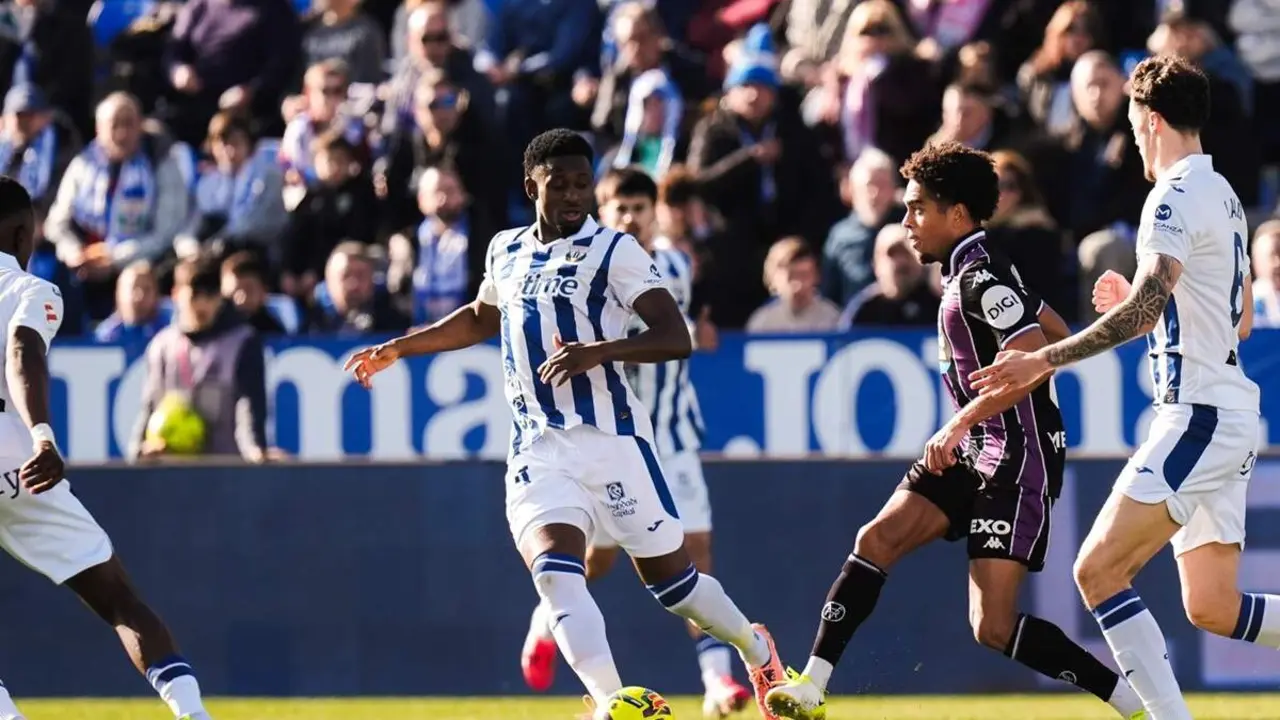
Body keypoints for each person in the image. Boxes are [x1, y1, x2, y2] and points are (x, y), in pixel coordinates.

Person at [344, 129, 787, 720]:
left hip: (612, 443)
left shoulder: (617, 251)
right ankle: (613, 702)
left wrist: (597, 351)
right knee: (556, 575)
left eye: (583, 183)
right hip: (537, 448)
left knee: (677, 589)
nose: (575, 195)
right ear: (533, 186)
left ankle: (757, 651)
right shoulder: (505, 249)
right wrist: (401, 346)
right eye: (561, 184)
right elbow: (481, 317)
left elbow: (675, 336)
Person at [763, 141, 1144, 720]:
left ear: (957, 214)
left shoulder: (982, 280)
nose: (907, 223)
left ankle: (1129, 701)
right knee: (876, 540)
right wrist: (972, 424)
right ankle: (812, 686)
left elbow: (1038, 352)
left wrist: (961, 419)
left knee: (991, 627)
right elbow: (1057, 328)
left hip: (1017, 458)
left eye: (918, 209)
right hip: (978, 449)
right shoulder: (982, 269)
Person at [971, 55, 1277, 720]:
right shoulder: (1223, 194)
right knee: (1213, 606)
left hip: (1197, 415)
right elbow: (1241, 318)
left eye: (1137, 126)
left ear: (1153, 118)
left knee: (1097, 571)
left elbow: (1143, 310)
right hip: (1224, 409)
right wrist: (1152, 306)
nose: (1134, 138)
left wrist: (1045, 359)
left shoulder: (1169, 196)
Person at [518, 167, 748, 718]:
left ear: (654, 213)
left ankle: (717, 681)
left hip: (668, 438)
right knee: (593, 562)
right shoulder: (576, 264)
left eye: (640, 208)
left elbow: (664, 324)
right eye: (620, 208)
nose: (629, 217)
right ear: (603, 209)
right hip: (602, 436)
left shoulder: (672, 266)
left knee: (694, 557)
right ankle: (544, 619)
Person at [0, 177, 213, 720]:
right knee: (118, 597)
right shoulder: (31, 290)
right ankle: (193, 716)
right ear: (24, 233)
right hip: (20, 467)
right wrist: (44, 434)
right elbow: (22, 352)